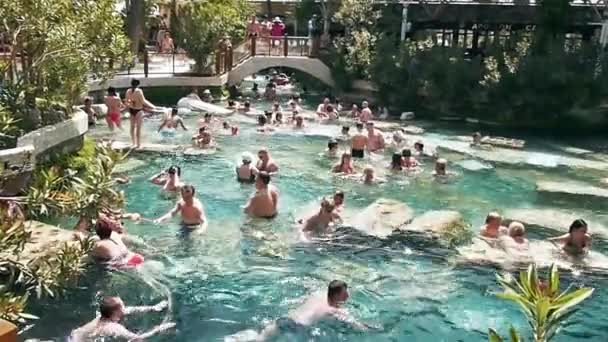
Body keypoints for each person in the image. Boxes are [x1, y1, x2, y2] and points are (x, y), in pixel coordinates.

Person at [252, 280, 368, 341]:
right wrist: (368, 328)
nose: (347, 295)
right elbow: (356, 324)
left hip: (285, 320)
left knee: (259, 339)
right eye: (345, 293)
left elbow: (302, 298)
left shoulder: (318, 294)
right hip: (297, 329)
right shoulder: (332, 310)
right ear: (336, 295)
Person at [69, 296, 174, 342]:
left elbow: (130, 310)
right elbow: (136, 338)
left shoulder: (104, 315)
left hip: (75, 336)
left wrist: (154, 308)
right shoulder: (114, 328)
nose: (125, 308)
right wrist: (159, 329)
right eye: (122, 306)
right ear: (115, 312)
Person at [125, 79, 154, 148]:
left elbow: (127, 101)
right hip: (138, 111)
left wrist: (132, 103)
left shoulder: (128, 91)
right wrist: (152, 106)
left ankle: (133, 143)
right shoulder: (139, 91)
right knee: (138, 128)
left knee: (132, 128)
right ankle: (138, 145)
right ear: (137, 84)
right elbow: (143, 101)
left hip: (131, 110)